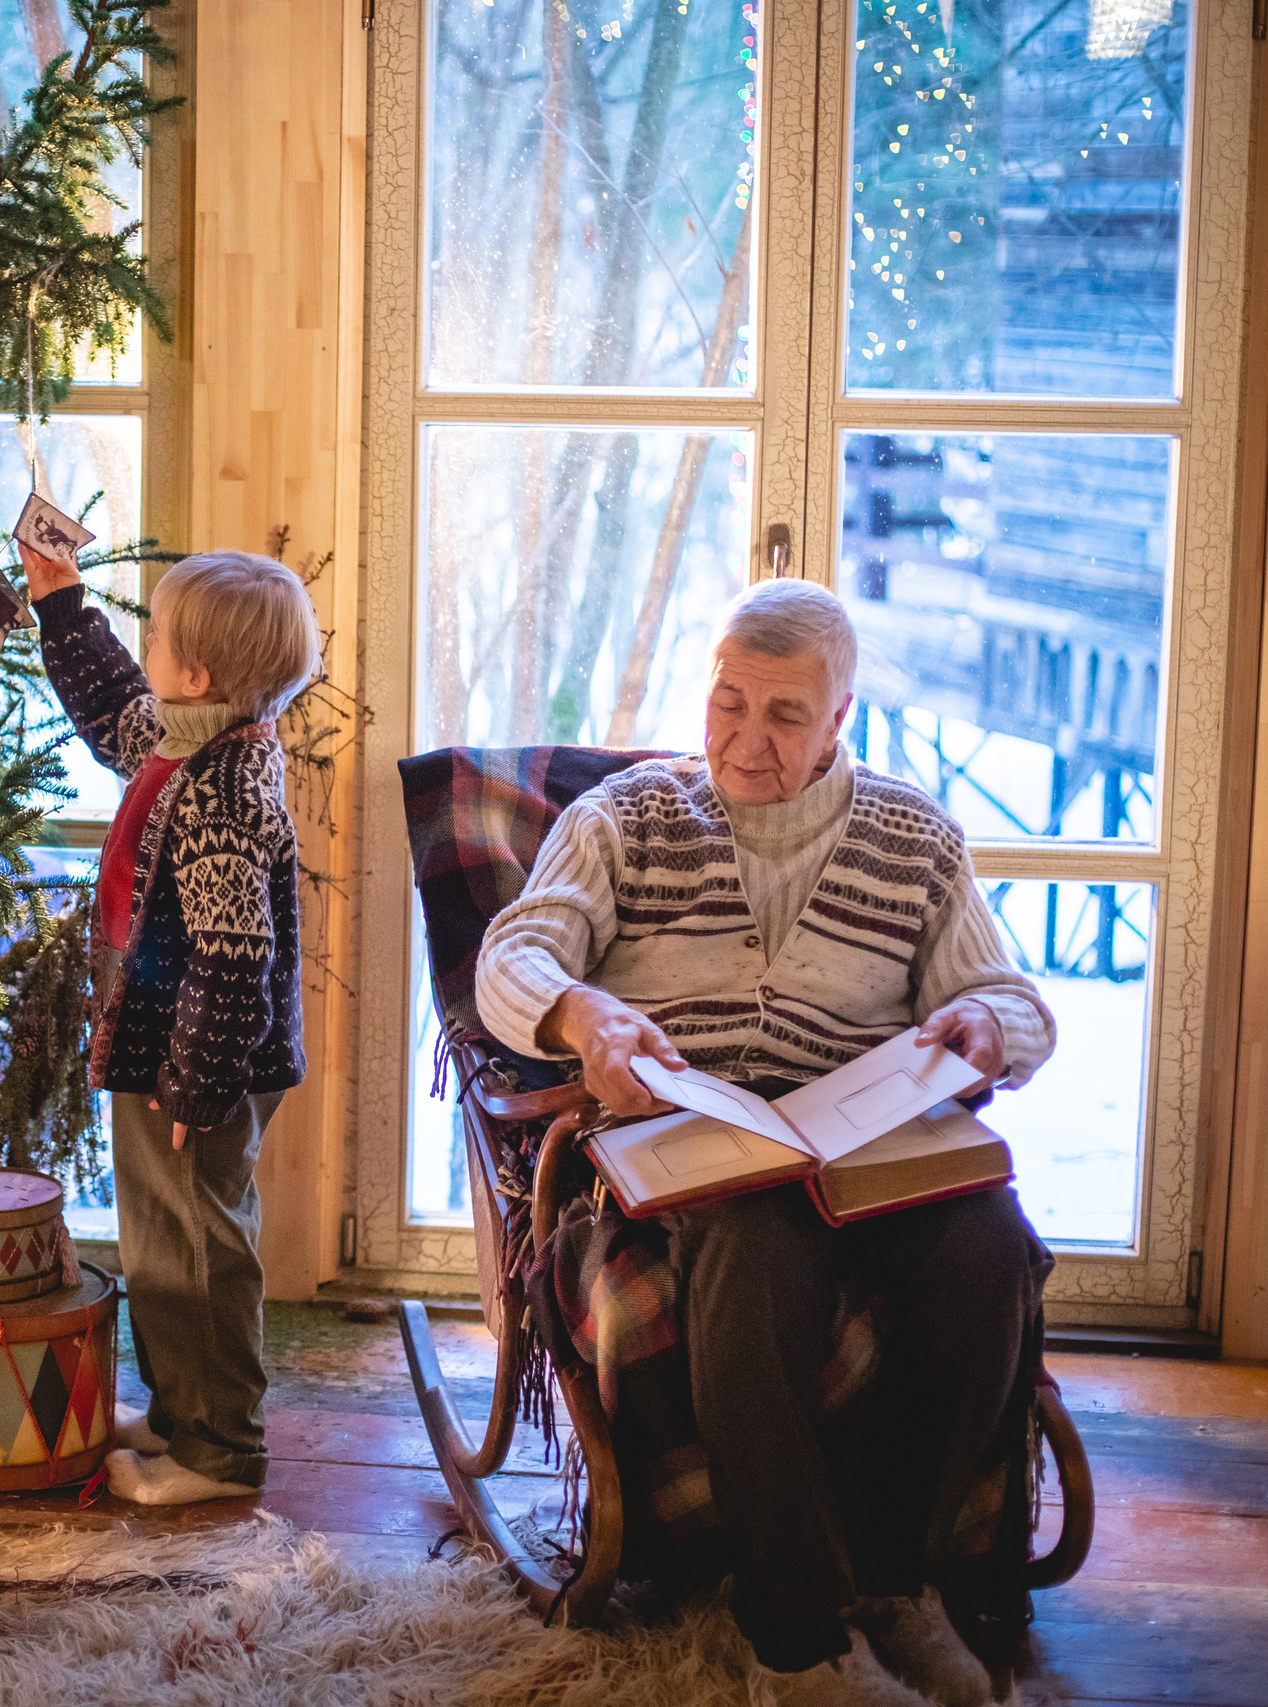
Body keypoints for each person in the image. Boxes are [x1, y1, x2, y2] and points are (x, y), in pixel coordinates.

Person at [475, 580, 1055, 1707]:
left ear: (841, 717)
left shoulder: (916, 839)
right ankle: (793, 1628)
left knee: (989, 1244)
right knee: (755, 1248)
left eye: (783, 716)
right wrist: (582, 1017)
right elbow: (515, 956)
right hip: (692, 1145)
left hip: (868, 1146)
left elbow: (1010, 997)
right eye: (727, 703)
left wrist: (986, 1027)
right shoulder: (625, 820)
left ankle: (893, 1583)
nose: (745, 740)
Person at [21, 544, 323, 1506]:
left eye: (154, 635)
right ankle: (180, 1403)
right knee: (159, 1230)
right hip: (165, 1033)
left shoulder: (228, 787)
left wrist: (197, 1083)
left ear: (196, 674)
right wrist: (62, 605)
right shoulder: (186, 730)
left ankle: (220, 1447)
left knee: (198, 1241)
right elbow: (113, 712)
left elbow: (234, 956)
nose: (143, 647)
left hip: (204, 1054)